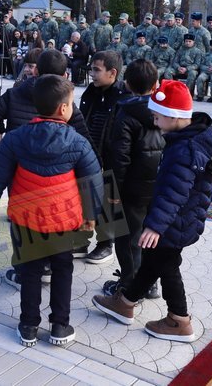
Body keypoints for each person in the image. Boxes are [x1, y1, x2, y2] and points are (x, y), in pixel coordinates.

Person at [93, 78, 212, 342]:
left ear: (174, 116)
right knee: (153, 262)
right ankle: (126, 302)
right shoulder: (192, 136)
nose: (154, 121)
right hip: (181, 218)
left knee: (167, 265)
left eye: (157, 117)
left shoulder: (184, 149)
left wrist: (155, 226)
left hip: (175, 222)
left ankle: (179, 320)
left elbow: (174, 191)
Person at [0, 74, 103, 348]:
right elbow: (92, 180)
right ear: (63, 108)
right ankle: (60, 325)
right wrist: (91, 215)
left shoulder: (15, 138)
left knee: (30, 271)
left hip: (26, 218)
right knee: (63, 270)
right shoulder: (78, 142)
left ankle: (28, 326)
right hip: (63, 221)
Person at [100, 59, 163, 299]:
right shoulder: (165, 111)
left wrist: (114, 190)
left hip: (131, 190)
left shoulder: (125, 112)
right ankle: (150, 283)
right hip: (158, 187)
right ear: (156, 85)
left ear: (126, 84)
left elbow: (119, 157)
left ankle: (129, 288)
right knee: (151, 236)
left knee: (128, 239)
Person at [78, 50, 131, 264]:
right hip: (88, 155)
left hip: (110, 158)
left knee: (108, 199)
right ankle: (81, 240)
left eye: (96, 70)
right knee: (84, 197)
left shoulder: (124, 98)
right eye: (91, 69)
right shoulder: (90, 92)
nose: (92, 74)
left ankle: (105, 243)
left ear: (113, 72)